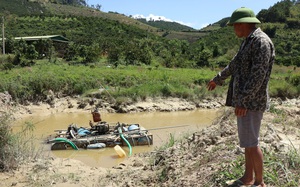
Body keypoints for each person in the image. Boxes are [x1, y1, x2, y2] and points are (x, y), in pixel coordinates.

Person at [207, 7, 275, 187]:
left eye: (234, 26)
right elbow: (234, 65)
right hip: (245, 102)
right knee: (247, 142)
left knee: (252, 143)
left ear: (242, 24)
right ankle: (247, 178)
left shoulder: (261, 42)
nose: (233, 29)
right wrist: (217, 79)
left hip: (251, 103)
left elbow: (258, 76)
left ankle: (259, 183)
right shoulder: (248, 41)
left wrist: (243, 100)